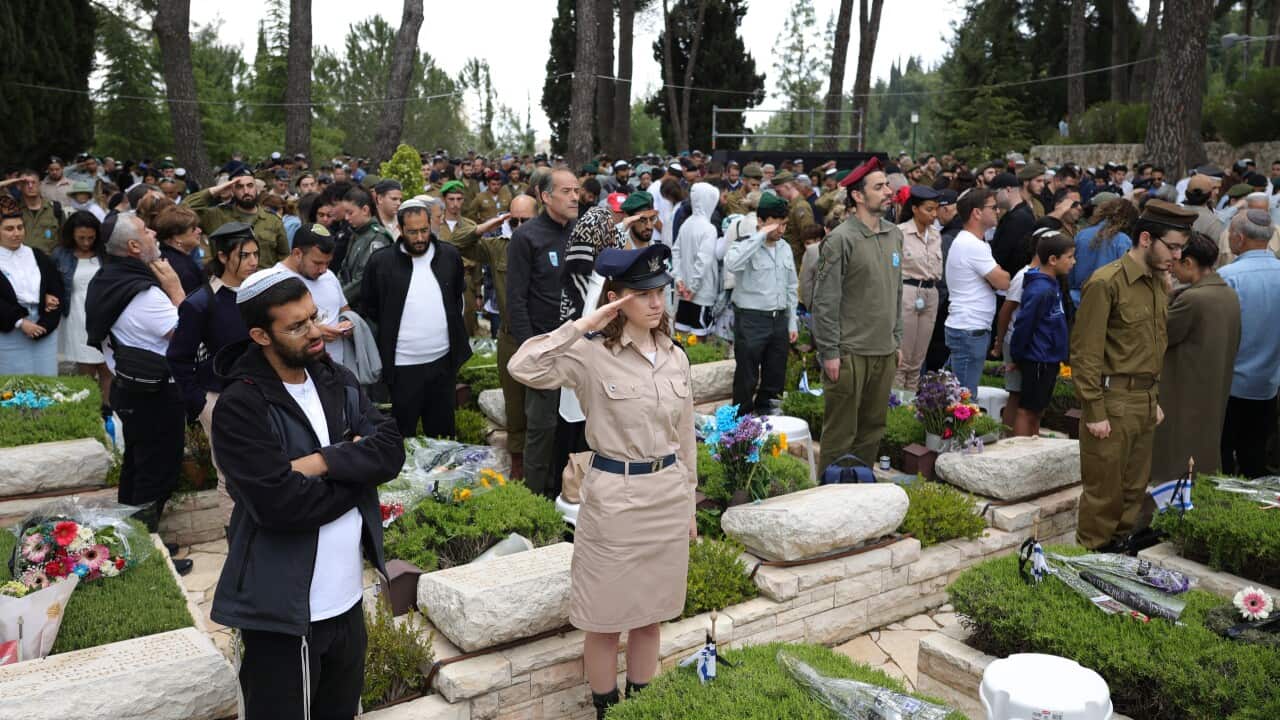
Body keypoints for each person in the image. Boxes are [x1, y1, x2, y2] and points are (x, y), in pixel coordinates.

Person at [508, 243, 696, 720]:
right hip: (615, 501)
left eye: (660, 292)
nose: (656, 303)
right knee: (605, 622)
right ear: (616, 298)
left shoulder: (675, 356)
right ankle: (606, 711)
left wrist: (690, 503)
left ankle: (641, 707)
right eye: (642, 293)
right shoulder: (591, 355)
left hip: (667, 497)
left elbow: (686, 437)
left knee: (651, 618)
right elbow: (522, 366)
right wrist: (583, 324)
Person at [209, 268, 404, 720]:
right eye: (297, 327)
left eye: (313, 317)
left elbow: (390, 449)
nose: (316, 332)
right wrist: (357, 472)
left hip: (347, 601)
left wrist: (320, 463)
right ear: (260, 335)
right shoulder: (241, 406)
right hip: (282, 611)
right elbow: (281, 505)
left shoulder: (332, 377)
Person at [1070, 199, 1197, 552]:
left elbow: (1150, 347)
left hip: (1143, 401)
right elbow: (1085, 352)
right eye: (1171, 246)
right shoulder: (1106, 282)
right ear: (1145, 238)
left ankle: (1119, 556)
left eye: (1181, 248)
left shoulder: (1158, 283)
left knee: (1133, 490)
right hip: (1112, 403)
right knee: (1102, 495)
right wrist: (1094, 410)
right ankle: (1090, 560)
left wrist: (1152, 400)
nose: (1177, 255)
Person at [85, 213, 191, 571]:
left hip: (131, 389)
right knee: (155, 473)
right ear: (133, 246)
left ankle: (138, 540)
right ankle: (145, 557)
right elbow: (188, 334)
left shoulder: (109, 279)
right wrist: (177, 292)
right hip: (156, 394)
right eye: (146, 230)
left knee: (136, 468)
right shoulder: (144, 293)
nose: (154, 232)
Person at [811, 157, 903, 471]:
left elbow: (896, 291)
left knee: (873, 429)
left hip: (884, 351)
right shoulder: (840, 239)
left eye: (887, 185)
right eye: (879, 187)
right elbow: (824, 301)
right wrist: (830, 352)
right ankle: (830, 497)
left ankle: (859, 490)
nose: (888, 191)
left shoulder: (894, 235)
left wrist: (897, 339)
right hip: (849, 354)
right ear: (858, 196)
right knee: (840, 432)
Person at [361, 199, 471, 440]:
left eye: (424, 230)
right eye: (413, 232)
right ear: (400, 230)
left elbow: (456, 297)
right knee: (403, 435)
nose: (420, 237)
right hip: (402, 366)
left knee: (442, 435)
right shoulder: (381, 262)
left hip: (442, 363)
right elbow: (369, 305)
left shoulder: (449, 255)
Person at [167, 222, 259, 496]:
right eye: (245, 255)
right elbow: (178, 357)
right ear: (222, 257)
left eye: (256, 254)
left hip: (264, 393)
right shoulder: (201, 302)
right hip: (220, 397)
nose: (253, 262)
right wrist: (201, 405)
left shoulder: (261, 294)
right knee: (231, 476)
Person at [450, 195, 536, 478]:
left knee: (545, 403)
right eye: (515, 220)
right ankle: (519, 462)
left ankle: (545, 461)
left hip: (543, 336)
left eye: (527, 220)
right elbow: (456, 242)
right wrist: (488, 225)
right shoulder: (499, 248)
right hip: (511, 337)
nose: (521, 226)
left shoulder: (548, 244)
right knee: (514, 402)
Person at [507, 169, 579, 498]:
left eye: (577, 190)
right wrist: (531, 349)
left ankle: (570, 491)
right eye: (566, 191)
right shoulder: (527, 238)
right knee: (542, 427)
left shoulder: (581, 235)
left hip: (580, 347)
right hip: (544, 348)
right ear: (546, 197)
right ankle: (535, 500)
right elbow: (516, 300)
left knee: (577, 426)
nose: (575, 196)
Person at [1151, 231, 1240, 489]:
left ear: (1189, 263)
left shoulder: (1194, 299)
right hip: (1211, 391)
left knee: (1176, 466)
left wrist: (1164, 294)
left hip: (1184, 394)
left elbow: (1159, 334)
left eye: (1175, 263)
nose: (1172, 269)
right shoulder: (1227, 294)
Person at [1218, 209, 1280, 478]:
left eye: (1230, 232)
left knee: (1223, 453)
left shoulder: (1228, 276)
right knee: (1254, 453)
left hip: (1230, 384)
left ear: (1239, 239)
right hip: (1269, 384)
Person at [724, 192, 792, 416]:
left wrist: (792, 324)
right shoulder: (745, 244)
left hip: (779, 319)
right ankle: (741, 422)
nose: (781, 231)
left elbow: (791, 286)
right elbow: (733, 264)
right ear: (761, 221)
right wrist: (759, 236)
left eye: (784, 224)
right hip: (752, 319)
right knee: (747, 374)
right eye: (776, 225)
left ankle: (768, 415)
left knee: (775, 373)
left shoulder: (785, 248)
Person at [1008, 231, 1075, 436]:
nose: (1074, 261)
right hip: (1038, 359)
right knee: (1027, 410)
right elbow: (1024, 325)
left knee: (1038, 410)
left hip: (1049, 358)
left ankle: (1034, 444)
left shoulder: (1052, 285)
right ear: (1053, 260)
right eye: (1070, 257)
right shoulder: (1040, 290)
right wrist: (1017, 355)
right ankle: (1020, 450)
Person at [944, 188, 1009, 395]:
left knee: (956, 394)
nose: (998, 211)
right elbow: (1003, 281)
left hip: (969, 328)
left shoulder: (973, 242)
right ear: (977, 213)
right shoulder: (972, 245)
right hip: (969, 329)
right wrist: (998, 277)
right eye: (992, 207)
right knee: (963, 398)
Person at [0, 195, 64, 376]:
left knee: (46, 378)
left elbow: (56, 288)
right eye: (9, 229)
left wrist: (45, 323)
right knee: (12, 384)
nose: (16, 233)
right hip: (9, 330)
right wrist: (20, 322)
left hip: (43, 325)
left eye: (20, 227)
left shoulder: (37, 255)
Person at [53, 211, 111, 401]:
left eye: (91, 238)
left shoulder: (106, 253)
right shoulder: (60, 255)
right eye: (81, 238)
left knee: (107, 367)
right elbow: (51, 282)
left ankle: (108, 410)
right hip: (77, 316)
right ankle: (90, 412)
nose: (86, 243)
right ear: (72, 235)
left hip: (105, 314)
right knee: (86, 368)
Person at [185, 164, 290, 267]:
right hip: (229, 282)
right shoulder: (216, 215)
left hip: (263, 282)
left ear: (256, 189)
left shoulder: (272, 220)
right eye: (239, 187)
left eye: (250, 185)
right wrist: (215, 191)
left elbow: (284, 258)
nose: (246, 191)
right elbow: (184, 209)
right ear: (231, 190)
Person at [278, 223, 354, 367]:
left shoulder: (329, 276)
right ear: (297, 254)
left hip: (337, 369)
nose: (323, 270)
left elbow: (344, 309)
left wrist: (347, 324)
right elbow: (277, 329)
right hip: (301, 371)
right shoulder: (277, 280)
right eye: (317, 263)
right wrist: (314, 331)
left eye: (328, 263)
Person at [895, 185, 943, 391]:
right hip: (908, 291)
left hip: (930, 292)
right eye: (929, 209)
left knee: (918, 359)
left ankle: (911, 404)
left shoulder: (935, 234)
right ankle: (895, 405)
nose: (934, 214)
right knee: (902, 358)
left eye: (936, 209)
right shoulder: (900, 233)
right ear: (915, 208)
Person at [672, 182, 721, 338]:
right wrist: (693, 289)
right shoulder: (709, 229)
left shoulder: (686, 224)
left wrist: (679, 280)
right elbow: (703, 261)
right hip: (701, 291)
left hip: (683, 288)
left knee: (682, 332)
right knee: (700, 335)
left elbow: (676, 252)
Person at [1068, 198, 1137, 305]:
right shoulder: (1123, 241)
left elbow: (1070, 272)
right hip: (1108, 302)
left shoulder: (1081, 235)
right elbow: (1127, 279)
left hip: (1078, 299)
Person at [337, 187, 393, 307]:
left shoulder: (378, 237)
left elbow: (364, 279)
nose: (346, 218)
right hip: (351, 304)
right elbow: (344, 270)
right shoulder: (356, 234)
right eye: (345, 213)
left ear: (365, 210)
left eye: (350, 212)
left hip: (368, 310)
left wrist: (339, 299)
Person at [154, 205, 205, 295]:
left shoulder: (162, 255)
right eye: (193, 229)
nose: (199, 230)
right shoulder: (184, 270)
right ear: (177, 237)